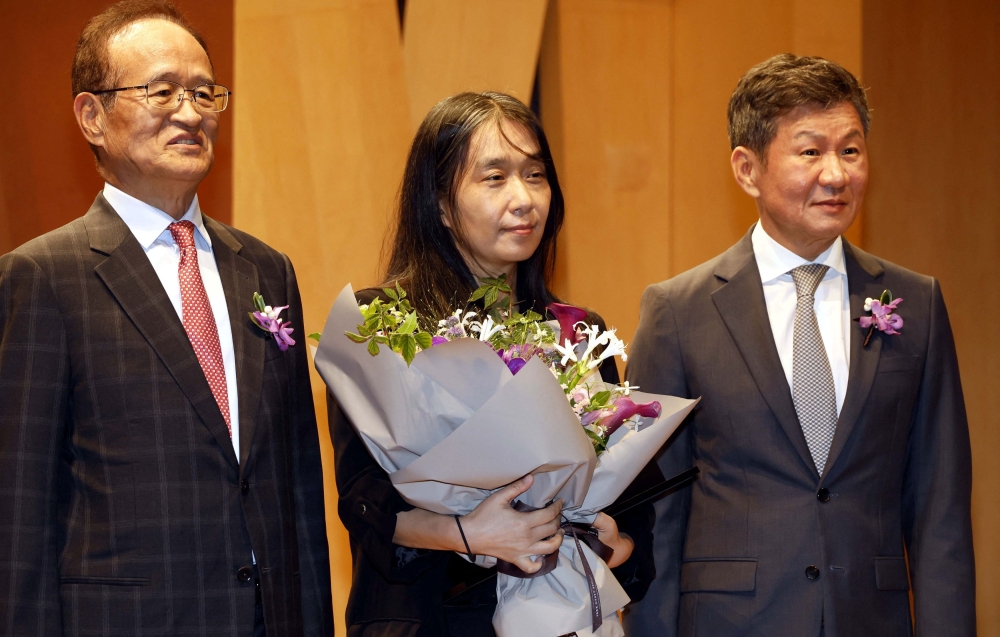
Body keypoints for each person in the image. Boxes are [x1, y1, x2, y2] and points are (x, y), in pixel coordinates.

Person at [0, 2, 332, 635]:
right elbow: (17, 515)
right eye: (162, 91)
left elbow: (294, 488)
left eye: (204, 93)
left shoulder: (266, 270)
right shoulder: (42, 277)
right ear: (92, 115)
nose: (189, 112)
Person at [624, 54, 975, 636]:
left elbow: (940, 508)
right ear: (747, 168)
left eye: (851, 150)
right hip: (731, 622)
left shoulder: (916, 303)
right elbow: (657, 513)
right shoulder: (678, 312)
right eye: (811, 151)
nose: (836, 174)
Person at [330, 91, 656, 637]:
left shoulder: (577, 330)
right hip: (435, 618)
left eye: (535, 175)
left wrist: (612, 539)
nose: (524, 198)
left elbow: (639, 500)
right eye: (494, 177)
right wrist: (468, 533)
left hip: (564, 615)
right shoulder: (385, 324)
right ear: (438, 203)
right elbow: (364, 500)